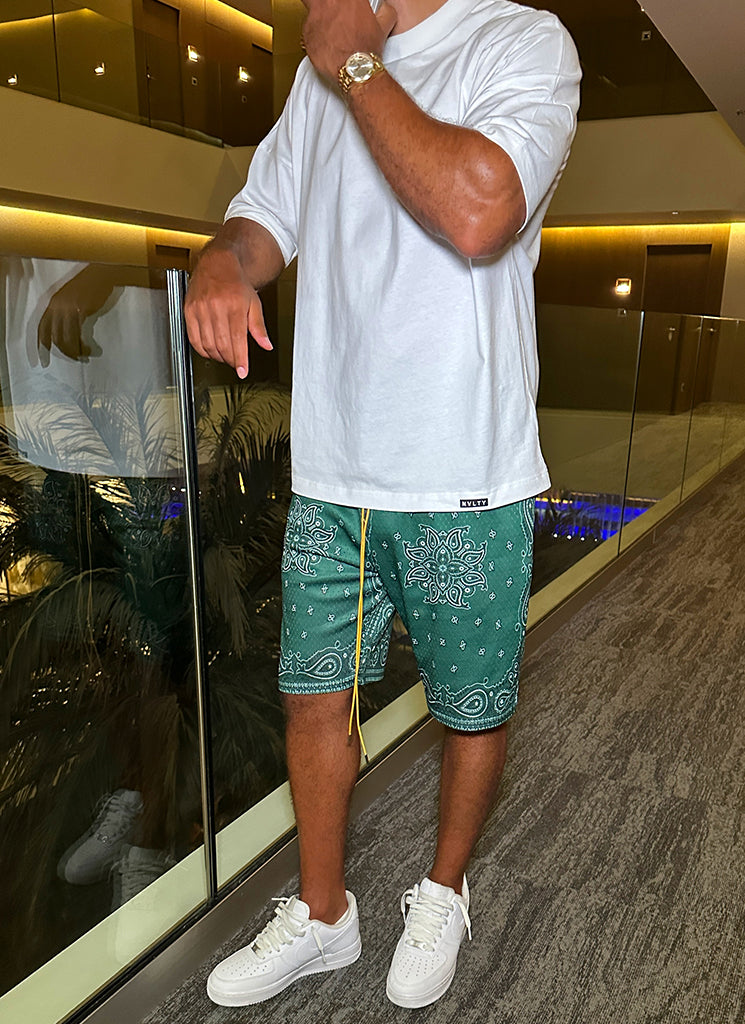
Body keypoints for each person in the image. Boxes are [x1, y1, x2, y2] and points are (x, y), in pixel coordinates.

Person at [184, 0, 580, 1008]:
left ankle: (443, 889)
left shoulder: (521, 41)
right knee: (313, 699)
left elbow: (481, 212)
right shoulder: (321, 70)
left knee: (470, 708)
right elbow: (265, 217)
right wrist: (221, 259)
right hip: (333, 474)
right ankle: (324, 914)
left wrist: (358, 66)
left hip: (465, 474)